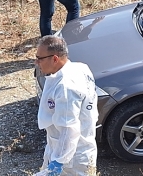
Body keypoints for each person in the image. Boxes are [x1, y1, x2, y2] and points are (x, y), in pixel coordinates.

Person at [35, 35, 98, 175]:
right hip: (75, 148)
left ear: (55, 59)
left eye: (40, 58)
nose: (36, 62)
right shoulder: (80, 68)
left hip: (71, 161)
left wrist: (58, 161)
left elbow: (69, 129)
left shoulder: (66, 87)